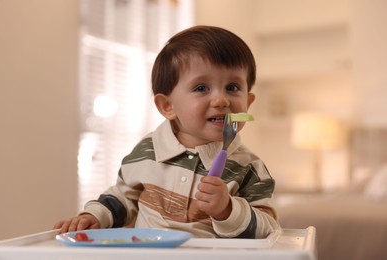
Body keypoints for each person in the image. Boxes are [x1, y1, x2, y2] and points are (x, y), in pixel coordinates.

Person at [54, 25, 279, 238]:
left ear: (248, 103)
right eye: (201, 88)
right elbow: (123, 197)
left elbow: (269, 228)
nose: (221, 100)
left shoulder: (250, 168)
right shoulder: (147, 151)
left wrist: (228, 210)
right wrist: (93, 216)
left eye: (233, 87)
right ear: (167, 106)